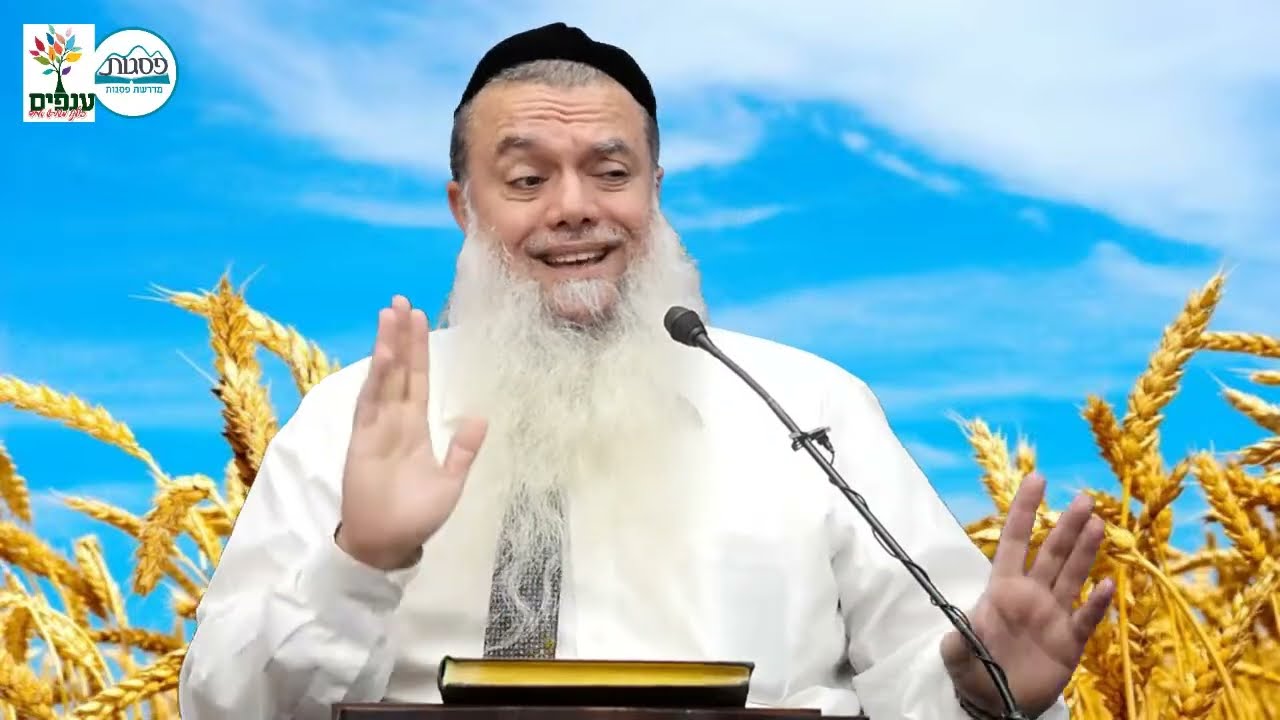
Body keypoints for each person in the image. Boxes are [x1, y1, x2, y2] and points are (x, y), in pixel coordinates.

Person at [177, 22, 1113, 720]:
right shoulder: (354, 418)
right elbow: (224, 708)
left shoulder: (807, 406)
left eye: (611, 172)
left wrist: (987, 693)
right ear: (463, 205)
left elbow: (930, 675)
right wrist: (362, 561)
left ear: (656, 193)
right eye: (527, 179)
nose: (574, 207)